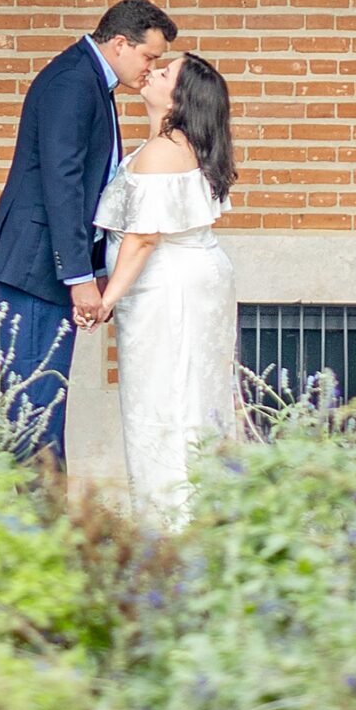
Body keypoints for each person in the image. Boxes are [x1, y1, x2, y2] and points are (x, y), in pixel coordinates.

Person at [0, 0, 176, 469]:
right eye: (149, 56)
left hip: (48, 262)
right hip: (37, 266)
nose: (150, 69)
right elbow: (61, 183)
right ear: (121, 43)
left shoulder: (90, 79)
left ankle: (40, 511)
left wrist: (92, 267)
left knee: (43, 402)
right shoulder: (73, 81)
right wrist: (79, 276)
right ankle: (34, 515)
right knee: (34, 406)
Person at [94, 49, 238, 526]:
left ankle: (172, 525)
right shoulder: (172, 145)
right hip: (178, 285)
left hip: (169, 293)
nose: (152, 72)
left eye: (165, 72)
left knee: (167, 399)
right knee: (182, 396)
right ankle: (188, 518)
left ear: (180, 99)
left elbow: (143, 237)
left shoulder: (163, 152)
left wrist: (105, 300)